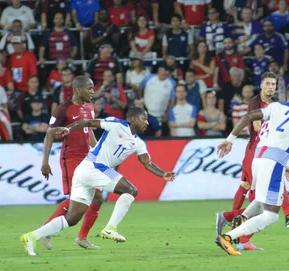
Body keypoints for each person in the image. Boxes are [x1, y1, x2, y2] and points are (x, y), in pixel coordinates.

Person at [21, 108, 176, 256]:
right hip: (93, 166)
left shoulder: (138, 143)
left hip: (86, 171)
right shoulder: (116, 124)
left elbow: (147, 163)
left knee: (72, 218)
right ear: (134, 119)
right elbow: (88, 122)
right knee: (131, 190)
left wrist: (163, 174)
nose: (147, 123)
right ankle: (110, 228)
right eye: (145, 119)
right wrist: (69, 128)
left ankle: (31, 236)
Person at [214, 79, 289, 255]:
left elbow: (247, 116)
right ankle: (227, 238)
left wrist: (229, 140)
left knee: (263, 200)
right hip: (274, 162)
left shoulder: (275, 107)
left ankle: (243, 217)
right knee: (271, 215)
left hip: (257, 158)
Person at [39, 76, 102, 251]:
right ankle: (46, 230)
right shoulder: (63, 109)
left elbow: (88, 133)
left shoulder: (89, 108)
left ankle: (82, 237)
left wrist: (98, 153)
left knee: (97, 197)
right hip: (71, 159)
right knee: (76, 200)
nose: (92, 91)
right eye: (89, 88)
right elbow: (49, 134)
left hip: (87, 158)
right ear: (78, 90)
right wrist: (45, 161)